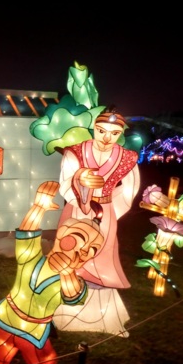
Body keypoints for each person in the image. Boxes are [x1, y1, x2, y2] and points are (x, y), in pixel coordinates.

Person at [0, 181, 104, 364]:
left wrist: (67, 273)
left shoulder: (73, 281)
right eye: (77, 240)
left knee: (43, 363)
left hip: (34, 329)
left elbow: (73, 296)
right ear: (62, 237)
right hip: (6, 318)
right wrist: (38, 208)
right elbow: (27, 234)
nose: (81, 252)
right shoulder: (32, 259)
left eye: (89, 251)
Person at [52, 106, 140, 336]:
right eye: (101, 131)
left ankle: (98, 304)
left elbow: (130, 189)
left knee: (101, 253)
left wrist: (112, 208)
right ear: (94, 128)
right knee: (70, 249)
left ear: (121, 133)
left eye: (114, 133)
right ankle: (66, 297)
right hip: (76, 209)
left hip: (106, 211)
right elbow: (65, 182)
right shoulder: (76, 152)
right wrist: (80, 181)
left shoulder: (126, 158)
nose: (106, 138)